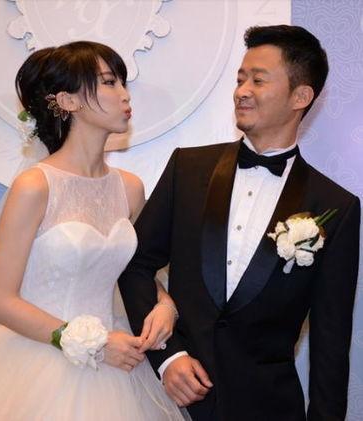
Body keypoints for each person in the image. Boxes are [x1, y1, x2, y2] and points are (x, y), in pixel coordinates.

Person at [0, 41, 185, 420]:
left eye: (122, 83)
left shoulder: (130, 188)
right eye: (110, 82)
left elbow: (138, 272)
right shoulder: (35, 186)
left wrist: (165, 305)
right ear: (68, 101)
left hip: (120, 361)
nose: (125, 95)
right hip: (38, 361)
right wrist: (90, 343)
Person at [118, 25, 360, 421]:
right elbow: (134, 265)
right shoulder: (188, 169)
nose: (242, 91)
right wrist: (168, 356)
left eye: (258, 80)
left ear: (301, 96)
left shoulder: (335, 206)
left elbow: (331, 339)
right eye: (240, 79)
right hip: (174, 404)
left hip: (269, 408)